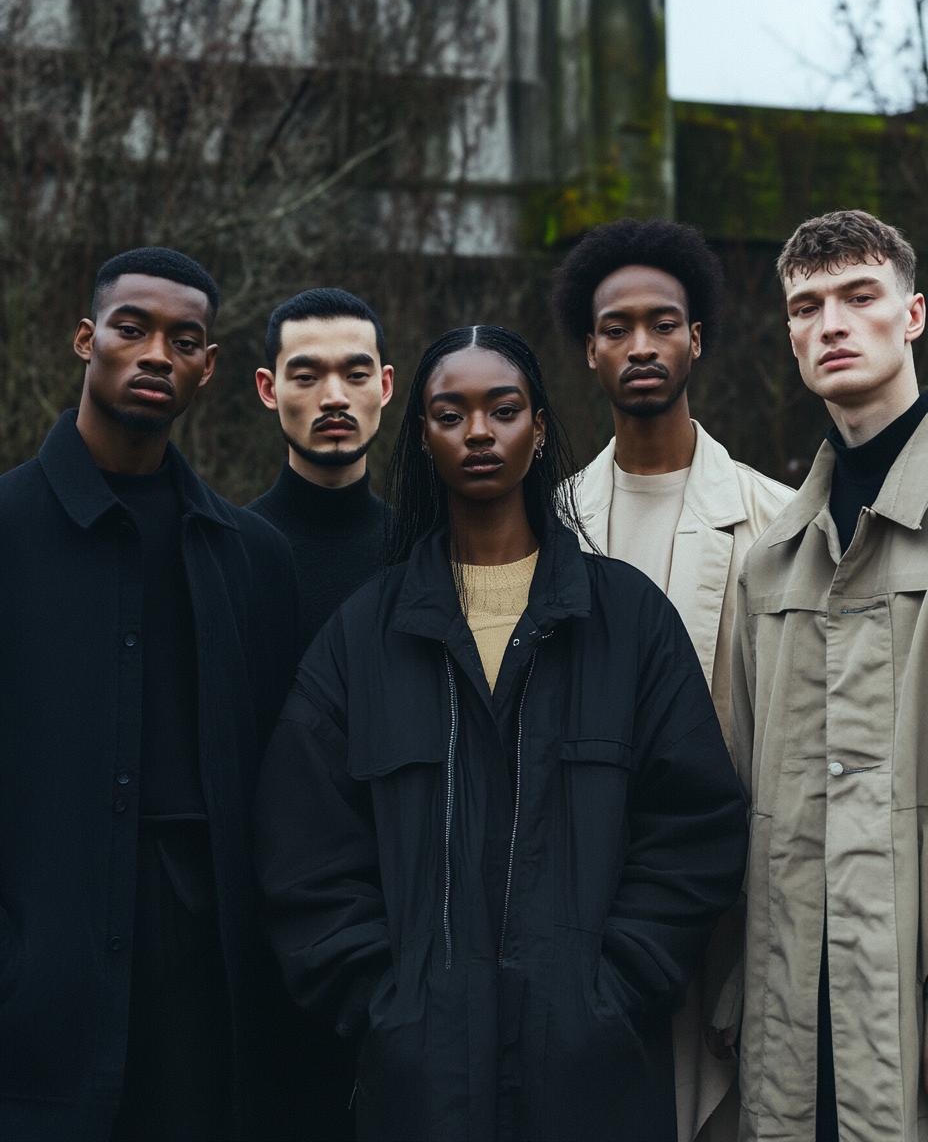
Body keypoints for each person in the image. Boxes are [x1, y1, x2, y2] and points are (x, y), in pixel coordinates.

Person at [255, 324, 748, 1142]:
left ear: (542, 426)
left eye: (504, 409)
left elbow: (695, 831)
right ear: (421, 435)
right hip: (419, 1093)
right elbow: (302, 855)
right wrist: (392, 1005)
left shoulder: (628, 623)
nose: (479, 432)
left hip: (594, 1085)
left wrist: (611, 989)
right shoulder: (362, 638)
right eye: (451, 414)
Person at [0, 248, 299, 1142]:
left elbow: (285, 790)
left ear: (209, 368)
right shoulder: (7, 531)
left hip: (210, 1001)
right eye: (133, 329)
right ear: (87, 338)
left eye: (186, 339)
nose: (156, 353)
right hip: (37, 993)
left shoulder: (253, 558)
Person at [553, 219, 794, 1142]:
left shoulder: (776, 525)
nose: (641, 345)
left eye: (664, 323)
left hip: (727, 936)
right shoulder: (551, 529)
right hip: (585, 933)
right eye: (618, 327)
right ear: (589, 348)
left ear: (699, 338)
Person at [731, 210, 928, 1141]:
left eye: (860, 297)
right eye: (807, 307)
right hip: (797, 1007)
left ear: (914, 314)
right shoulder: (771, 560)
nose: (832, 324)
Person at [249, 288, 394, 651]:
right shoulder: (227, 551)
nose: (334, 397)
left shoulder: (424, 552)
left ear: (385, 385)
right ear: (269, 390)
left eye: (357, 374)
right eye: (306, 376)